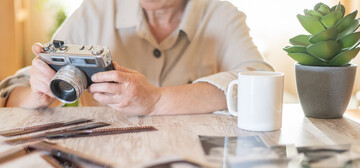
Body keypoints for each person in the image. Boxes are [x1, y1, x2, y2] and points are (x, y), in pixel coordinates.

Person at [0, 0, 273, 116]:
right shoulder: (97, 9)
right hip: (105, 164)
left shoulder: (219, 13)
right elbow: (15, 89)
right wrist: (37, 96)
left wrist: (157, 100)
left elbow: (263, 81)